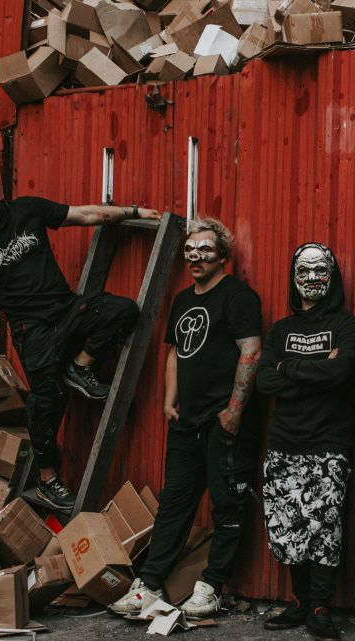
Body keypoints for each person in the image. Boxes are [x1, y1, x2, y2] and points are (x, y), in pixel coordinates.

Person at [0, 172, 160, 510]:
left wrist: (134, 212)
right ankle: (48, 479)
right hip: (31, 331)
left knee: (123, 311)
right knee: (44, 403)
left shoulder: (27, 209)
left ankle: (80, 367)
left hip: (66, 309)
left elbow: (87, 214)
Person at [109, 217, 262, 618]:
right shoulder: (181, 300)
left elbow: (251, 351)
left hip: (222, 423)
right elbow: (175, 352)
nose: (195, 257)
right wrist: (168, 401)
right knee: (174, 505)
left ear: (222, 256)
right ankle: (149, 585)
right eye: (190, 250)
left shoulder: (238, 297)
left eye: (205, 250)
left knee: (227, 505)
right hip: (186, 423)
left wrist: (234, 410)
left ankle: (211, 587)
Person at [255, 243, 355, 641]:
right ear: (293, 277)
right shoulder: (281, 330)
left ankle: (320, 608)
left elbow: (342, 373)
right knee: (288, 525)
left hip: (328, 443)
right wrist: (316, 370)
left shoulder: (347, 326)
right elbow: (264, 380)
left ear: (332, 277)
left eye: (321, 271)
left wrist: (289, 367)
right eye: (304, 270)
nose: (312, 278)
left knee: (324, 526)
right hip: (284, 441)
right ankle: (300, 602)